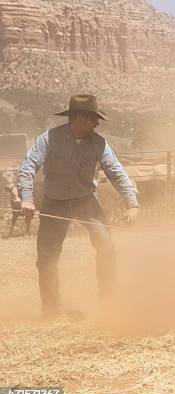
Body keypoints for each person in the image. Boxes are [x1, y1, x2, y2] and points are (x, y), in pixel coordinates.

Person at [17, 94, 139, 318]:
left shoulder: (99, 143)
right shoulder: (49, 139)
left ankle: (108, 301)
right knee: (47, 257)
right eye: (94, 120)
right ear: (80, 119)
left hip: (86, 201)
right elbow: (28, 166)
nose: (96, 125)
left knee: (106, 246)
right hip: (55, 202)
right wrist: (26, 197)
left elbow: (116, 172)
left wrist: (132, 203)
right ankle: (51, 310)